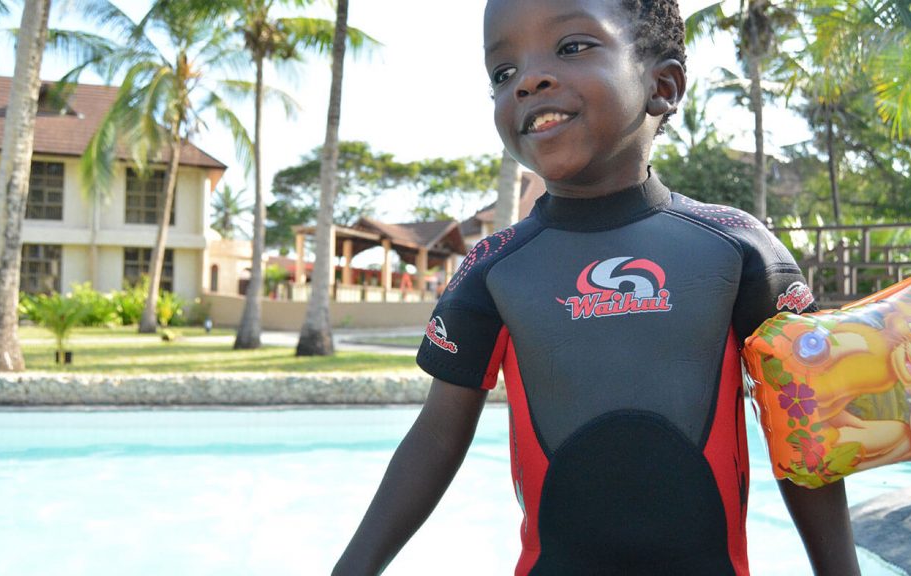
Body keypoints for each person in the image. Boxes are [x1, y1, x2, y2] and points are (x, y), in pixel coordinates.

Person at [333, 0, 861, 573]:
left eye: (572, 47)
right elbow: (437, 439)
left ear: (662, 86)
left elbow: (805, 431)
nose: (528, 81)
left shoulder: (739, 249)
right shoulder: (492, 269)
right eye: (503, 73)